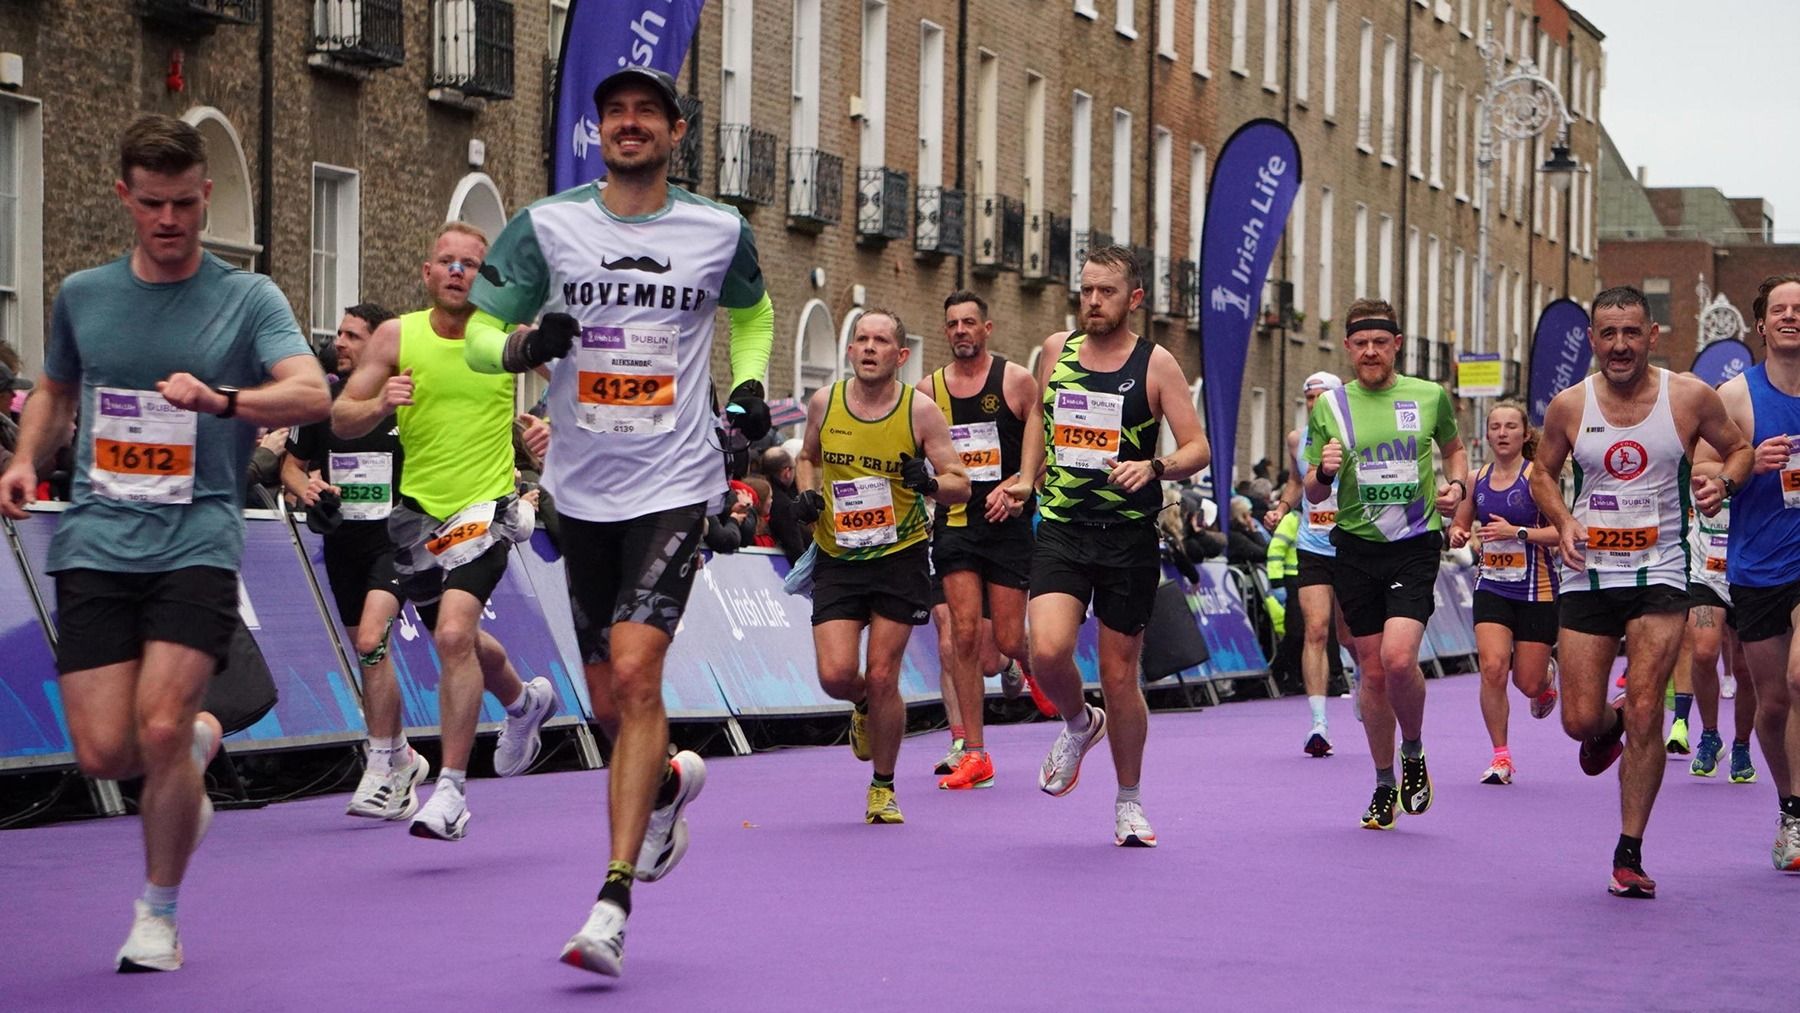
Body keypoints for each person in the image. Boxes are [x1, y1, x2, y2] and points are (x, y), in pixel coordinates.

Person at [459, 65, 776, 976]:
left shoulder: (718, 230)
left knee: (638, 671)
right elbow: (479, 333)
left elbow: (751, 315)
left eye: (647, 113)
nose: (629, 125)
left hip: (675, 481)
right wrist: (523, 344)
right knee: (611, 703)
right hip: (581, 490)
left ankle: (613, 895)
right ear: (598, 133)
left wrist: (748, 385)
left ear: (677, 131)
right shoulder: (548, 226)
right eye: (614, 114)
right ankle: (670, 782)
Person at [0, 115, 330, 971]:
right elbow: (57, 390)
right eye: (153, 204)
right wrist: (26, 457)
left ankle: (158, 912)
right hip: (96, 540)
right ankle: (181, 763)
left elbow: (309, 391)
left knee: (160, 719)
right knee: (107, 750)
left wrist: (222, 400)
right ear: (125, 198)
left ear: (205, 196)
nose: (171, 220)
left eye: (185, 203)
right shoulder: (84, 295)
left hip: (198, 538)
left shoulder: (248, 299)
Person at [333, 222, 558, 845]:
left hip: (486, 512)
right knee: (456, 638)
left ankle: (451, 790)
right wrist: (380, 404)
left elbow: (568, 391)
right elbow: (342, 416)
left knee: (454, 633)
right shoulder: (395, 335)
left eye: (471, 264)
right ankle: (523, 702)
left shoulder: (503, 338)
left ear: (486, 278)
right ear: (427, 273)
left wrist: (545, 431)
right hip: (417, 520)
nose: (458, 272)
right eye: (447, 262)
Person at [1530, 285, 1752, 898]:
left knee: (1651, 705)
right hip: (1588, 573)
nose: (1620, 345)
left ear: (1652, 336)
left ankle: (1629, 851)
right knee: (1578, 720)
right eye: (1608, 334)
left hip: (1660, 571)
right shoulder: (1569, 406)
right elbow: (1541, 472)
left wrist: (1723, 487)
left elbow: (1740, 451)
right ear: (1595, 340)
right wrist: (1566, 520)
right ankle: (1611, 723)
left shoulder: (1688, 396)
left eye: (1632, 332)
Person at [1002, 245, 1211, 848]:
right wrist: (1025, 476)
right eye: (1087, 290)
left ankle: (1128, 802)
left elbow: (1197, 447)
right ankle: (1077, 722)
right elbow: (1041, 417)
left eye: (1107, 292)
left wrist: (1157, 465)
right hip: (1063, 527)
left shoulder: (1157, 364)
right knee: (1045, 651)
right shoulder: (1055, 350)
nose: (1093, 302)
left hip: (1127, 539)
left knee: (1120, 678)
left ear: (1134, 299)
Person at [795, 308, 968, 821]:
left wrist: (930, 482)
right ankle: (864, 707)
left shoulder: (920, 412)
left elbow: (961, 482)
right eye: (861, 339)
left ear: (901, 355)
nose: (869, 348)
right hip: (839, 554)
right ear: (850, 352)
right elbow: (807, 456)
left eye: (880, 340)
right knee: (836, 674)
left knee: (883, 672)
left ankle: (883, 787)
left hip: (900, 554)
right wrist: (806, 494)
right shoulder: (824, 402)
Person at [1305, 298, 1468, 831]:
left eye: (1381, 342)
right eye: (1361, 343)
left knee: (1399, 660)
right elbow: (1311, 489)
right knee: (1371, 673)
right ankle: (1382, 784)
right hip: (1353, 547)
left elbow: (1456, 450)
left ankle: (1414, 753)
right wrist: (1323, 476)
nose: (1371, 351)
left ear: (1397, 344)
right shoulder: (1330, 406)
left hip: (1415, 543)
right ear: (1348, 347)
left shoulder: (1428, 396)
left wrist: (1458, 488)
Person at [281, 302, 436, 821]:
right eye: (340, 333)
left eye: (352, 336)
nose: (339, 341)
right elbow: (292, 467)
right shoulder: (322, 402)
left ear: (379, 345)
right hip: (343, 541)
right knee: (367, 652)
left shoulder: (408, 401)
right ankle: (405, 756)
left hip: (396, 542)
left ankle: (382, 763)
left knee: (371, 640)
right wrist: (310, 489)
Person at [918, 290, 1039, 790]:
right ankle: (974, 751)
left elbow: (1044, 446)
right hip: (957, 526)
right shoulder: (927, 392)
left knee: (1003, 645)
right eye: (952, 324)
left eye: (969, 322)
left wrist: (1018, 488)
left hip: (1007, 525)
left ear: (987, 329)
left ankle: (1035, 668)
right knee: (961, 636)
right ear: (945, 331)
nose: (961, 331)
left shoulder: (1015, 381)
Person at [1714, 273, 1800, 872]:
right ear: (1761, 324)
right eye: (1781, 309)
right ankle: (1791, 809)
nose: (1792, 316)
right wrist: (1748, 467)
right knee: (1772, 702)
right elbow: (1705, 479)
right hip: (1759, 566)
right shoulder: (1736, 397)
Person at [1447, 401, 1560, 785]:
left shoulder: (1538, 478)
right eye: (1495, 426)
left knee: (1526, 683)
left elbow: (1564, 532)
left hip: (1537, 588)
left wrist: (1518, 532)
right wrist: (1458, 534)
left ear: (1525, 434)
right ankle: (1501, 756)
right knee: (1493, 668)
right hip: (1492, 585)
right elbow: (1459, 528)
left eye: (1511, 426)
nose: (1502, 433)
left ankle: (1545, 678)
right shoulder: (1477, 479)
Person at [1265, 371, 1353, 757]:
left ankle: (1363, 678)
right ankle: (1319, 722)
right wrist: (1281, 508)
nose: (1315, 403)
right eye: (1310, 398)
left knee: (1350, 635)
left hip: (1351, 545)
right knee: (1315, 629)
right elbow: (1296, 483)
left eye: (1322, 396)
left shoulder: (1354, 437)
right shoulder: (1297, 440)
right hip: (1312, 544)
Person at [1682, 438, 1758, 784]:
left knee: (1746, 670)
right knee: (1703, 652)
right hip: (1705, 574)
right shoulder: (1711, 450)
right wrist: (1744, 469)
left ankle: (1742, 745)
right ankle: (1710, 735)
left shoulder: (1764, 446)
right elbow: (1699, 469)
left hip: (1749, 573)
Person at [758, 446, 810, 563]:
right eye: (793, 469)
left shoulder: (755, 489)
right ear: (786, 472)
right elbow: (795, 548)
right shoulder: (783, 505)